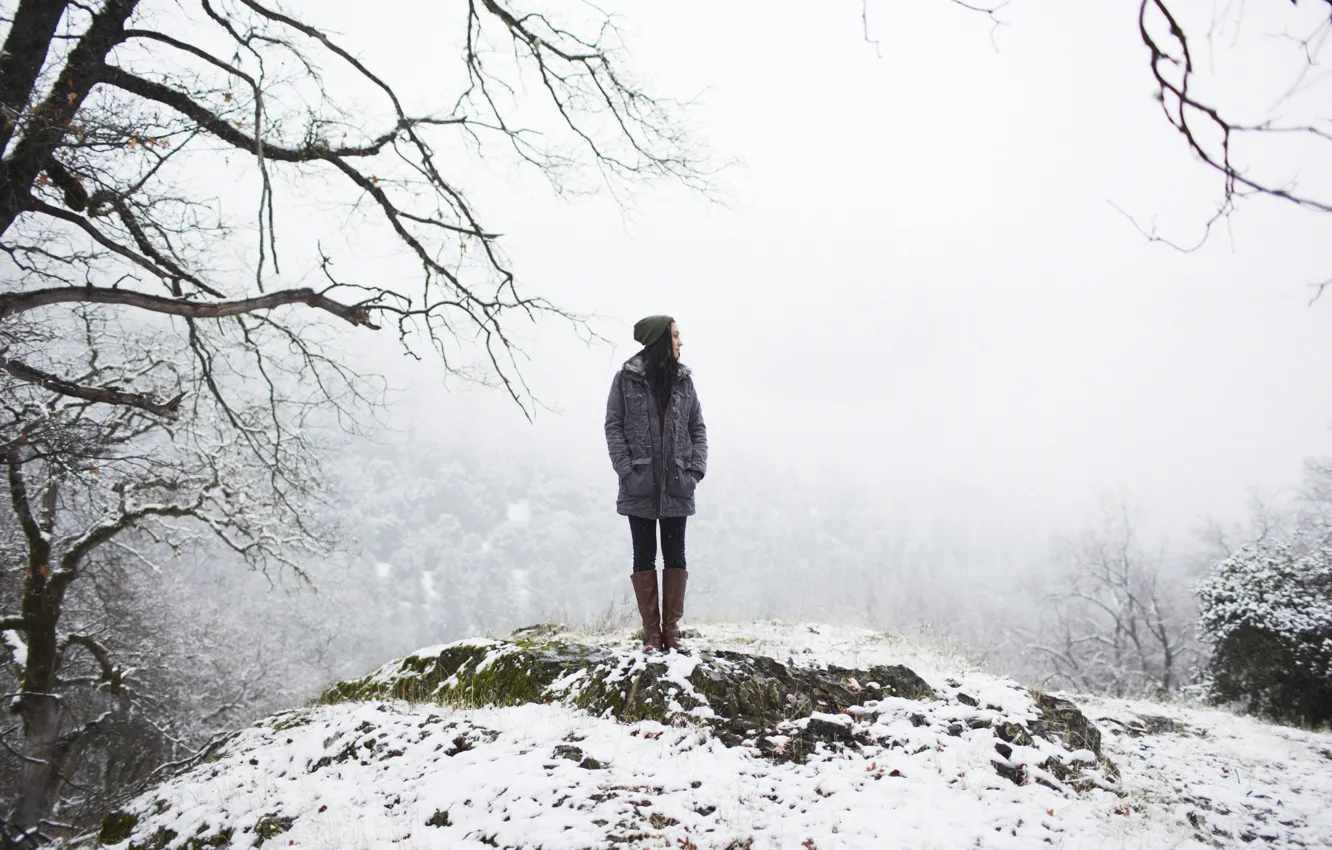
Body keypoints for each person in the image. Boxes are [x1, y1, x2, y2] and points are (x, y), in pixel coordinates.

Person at [604, 315, 708, 653]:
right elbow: (614, 427)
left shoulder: (684, 382)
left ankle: (671, 632)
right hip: (640, 485)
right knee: (644, 554)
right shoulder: (625, 380)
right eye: (676, 335)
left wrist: (695, 472)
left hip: (678, 483)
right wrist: (626, 471)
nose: (681, 342)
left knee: (676, 554)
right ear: (660, 339)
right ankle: (651, 635)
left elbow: (698, 428)